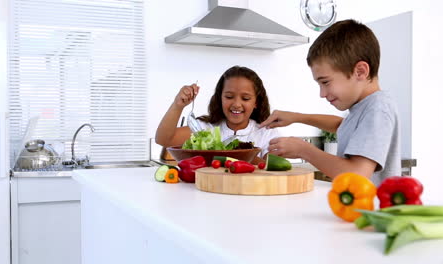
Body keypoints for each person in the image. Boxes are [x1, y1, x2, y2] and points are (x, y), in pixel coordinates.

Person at [260, 19, 401, 186]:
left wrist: (303, 149)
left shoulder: (378, 108)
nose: (322, 93)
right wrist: (297, 117)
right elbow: (341, 125)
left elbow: (357, 175)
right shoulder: (364, 107)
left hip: (373, 210)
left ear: (360, 71)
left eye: (325, 82)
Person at [155, 65, 279, 164]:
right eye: (229, 97)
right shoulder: (206, 128)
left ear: (256, 102)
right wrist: (178, 105)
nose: (236, 104)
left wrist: (236, 155)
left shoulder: (267, 132)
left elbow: (272, 167)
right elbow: (164, 139)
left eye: (245, 98)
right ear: (220, 98)